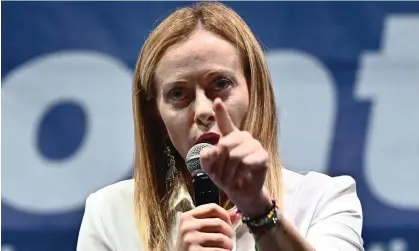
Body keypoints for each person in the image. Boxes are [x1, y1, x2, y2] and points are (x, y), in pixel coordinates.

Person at [77, 2, 364, 251]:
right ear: (157, 119)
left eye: (220, 84)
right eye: (178, 94)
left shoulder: (324, 199)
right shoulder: (108, 214)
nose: (203, 111)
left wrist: (259, 210)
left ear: (255, 93)